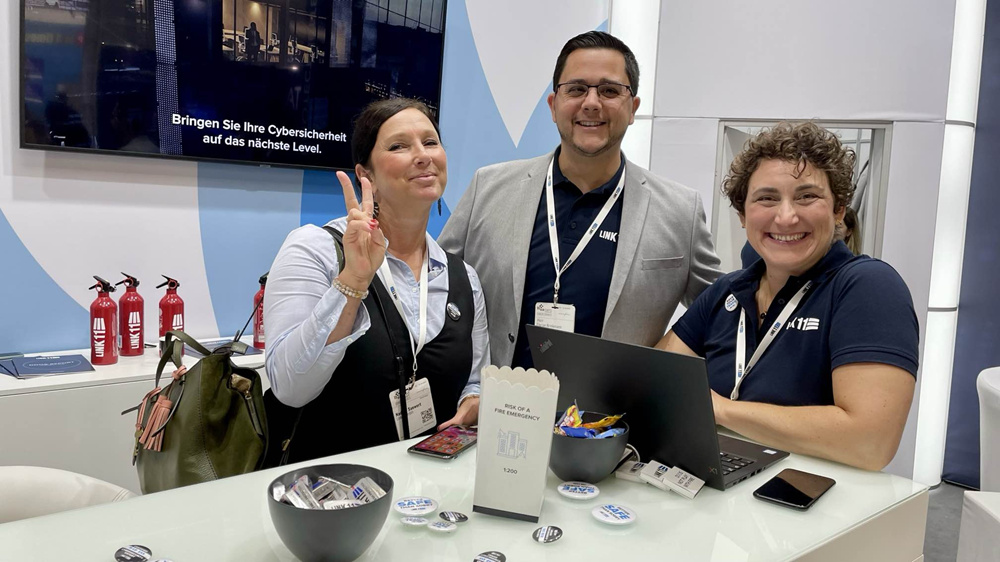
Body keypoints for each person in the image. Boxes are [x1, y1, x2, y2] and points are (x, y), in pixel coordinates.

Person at [438, 31, 721, 368]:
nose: (591, 102)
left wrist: (663, 369)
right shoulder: (488, 188)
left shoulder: (680, 211)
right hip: (496, 398)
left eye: (610, 90)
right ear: (553, 105)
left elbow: (723, 316)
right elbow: (436, 286)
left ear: (633, 108)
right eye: (576, 89)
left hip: (613, 402)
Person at [657, 122, 918, 471]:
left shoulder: (867, 287)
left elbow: (871, 441)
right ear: (742, 215)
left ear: (839, 209)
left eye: (807, 196)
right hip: (718, 483)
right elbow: (654, 378)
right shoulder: (727, 291)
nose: (786, 217)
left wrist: (721, 409)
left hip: (813, 496)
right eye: (766, 198)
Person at [262, 98, 489, 462]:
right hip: (332, 486)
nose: (423, 156)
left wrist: (474, 399)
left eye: (430, 142)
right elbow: (290, 388)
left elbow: (474, 379)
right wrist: (353, 280)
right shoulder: (317, 249)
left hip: (430, 485)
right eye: (399, 146)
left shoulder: (463, 278)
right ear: (365, 175)